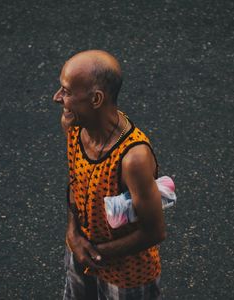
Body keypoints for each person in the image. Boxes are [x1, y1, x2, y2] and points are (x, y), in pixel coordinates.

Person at [53, 50, 166, 300]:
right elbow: (75, 181)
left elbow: (155, 231)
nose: (57, 98)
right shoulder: (73, 125)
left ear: (96, 99)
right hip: (82, 254)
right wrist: (73, 234)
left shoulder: (133, 158)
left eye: (67, 91)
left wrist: (95, 254)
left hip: (128, 275)